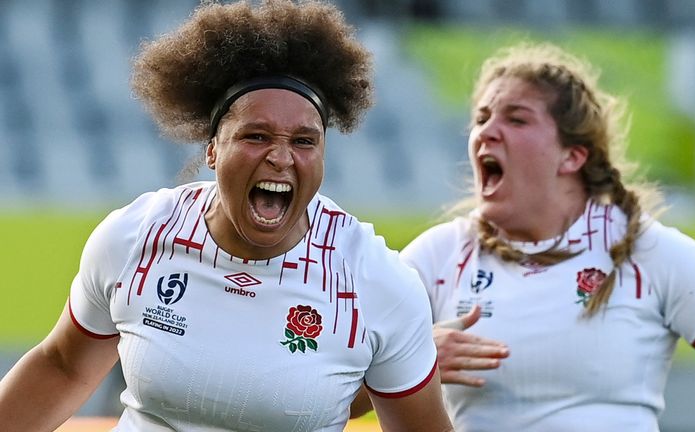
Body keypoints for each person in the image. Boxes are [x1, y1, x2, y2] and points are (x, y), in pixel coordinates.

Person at [0, 1, 454, 431]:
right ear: (213, 150)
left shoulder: (377, 283)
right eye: (256, 136)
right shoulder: (136, 236)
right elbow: (61, 367)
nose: (280, 157)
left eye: (304, 141)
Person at [354, 41, 695, 430]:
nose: (486, 132)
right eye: (481, 118)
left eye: (516, 118)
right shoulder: (437, 256)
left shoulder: (652, 253)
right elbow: (323, 391)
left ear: (573, 156)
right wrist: (410, 366)